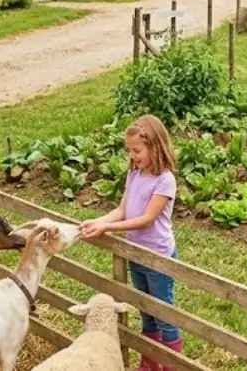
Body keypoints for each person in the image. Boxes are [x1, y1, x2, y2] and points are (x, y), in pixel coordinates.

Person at [79, 115, 183, 369]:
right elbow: (122, 210)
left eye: (137, 150)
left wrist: (107, 228)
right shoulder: (134, 173)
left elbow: (146, 219)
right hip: (135, 254)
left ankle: (170, 364)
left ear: (155, 147)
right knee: (145, 311)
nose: (132, 155)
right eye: (130, 150)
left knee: (164, 315)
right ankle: (149, 363)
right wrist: (97, 221)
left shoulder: (165, 180)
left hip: (157, 257)